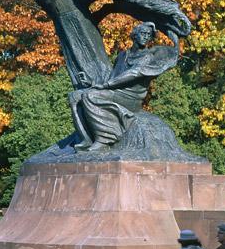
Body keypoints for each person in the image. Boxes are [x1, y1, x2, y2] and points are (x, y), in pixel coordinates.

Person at [71, 22, 177, 152]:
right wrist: (92, 83)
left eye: (148, 35)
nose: (146, 37)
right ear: (134, 35)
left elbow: (132, 74)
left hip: (131, 97)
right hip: (116, 92)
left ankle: (105, 139)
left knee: (90, 95)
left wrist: (104, 86)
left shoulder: (147, 57)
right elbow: (113, 77)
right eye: (143, 33)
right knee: (75, 96)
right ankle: (86, 139)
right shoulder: (122, 55)